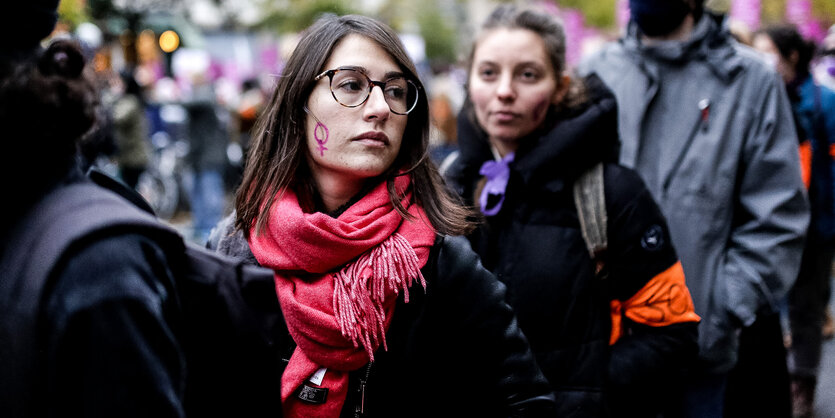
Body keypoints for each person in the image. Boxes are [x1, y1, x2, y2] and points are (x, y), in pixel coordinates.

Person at [207, 13, 557, 418]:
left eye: (395, 91)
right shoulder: (230, 248)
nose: (380, 108)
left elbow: (526, 401)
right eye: (351, 85)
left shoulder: (439, 263)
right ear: (299, 104)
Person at [442, 5, 700, 417]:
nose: (504, 91)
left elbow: (671, 333)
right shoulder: (447, 181)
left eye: (528, 75)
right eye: (488, 73)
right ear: (470, 80)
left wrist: (585, 397)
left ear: (561, 86)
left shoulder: (613, 191)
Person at [579, 1, 810, 417]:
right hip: (609, 352)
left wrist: (724, 309)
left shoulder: (753, 79)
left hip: (701, 358)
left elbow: (778, 218)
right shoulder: (595, 70)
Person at [752, 24, 835, 418]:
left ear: (791, 56)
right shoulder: (750, 98)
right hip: (763, 226)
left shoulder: (823, 102)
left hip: (815, 226)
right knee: (770, 306)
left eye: (768, 52)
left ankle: (803, 384)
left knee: (806, 308)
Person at [111, 69, 151, 189]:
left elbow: (116, 118)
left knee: (130, 192)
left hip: (134, 158)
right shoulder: (127, 100)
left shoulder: (130, 101)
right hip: (127, 157)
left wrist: (111, 96)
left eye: (118, 82)